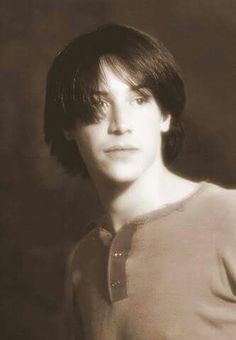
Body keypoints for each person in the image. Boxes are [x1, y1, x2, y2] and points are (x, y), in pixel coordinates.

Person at [44, 24, 236, 340]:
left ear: (165, 116)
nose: (120, 125)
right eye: (98, 103)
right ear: (69, 126)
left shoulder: (228, 217)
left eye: (139, 99)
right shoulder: (83, 261)